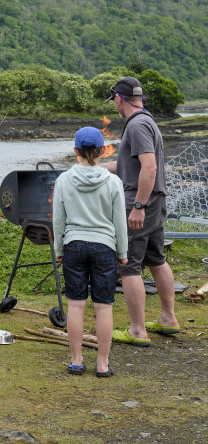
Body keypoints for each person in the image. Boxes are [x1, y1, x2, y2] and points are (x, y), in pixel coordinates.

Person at [101, 76, 180, 347]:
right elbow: (129, 166)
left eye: (113, 99)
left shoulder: (136, 126)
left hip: (140, 202)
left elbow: (149, 168)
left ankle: (137, 330)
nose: (112, 104)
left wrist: (138, 207)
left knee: (129, 266)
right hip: (154, 202)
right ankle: (168, 320)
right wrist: (96, 168)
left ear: (120, 98)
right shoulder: (146, 121)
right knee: (156, 259)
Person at [53, 127, 128, 378]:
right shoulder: (113, 181)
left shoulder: (64, 180)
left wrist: (59, 248)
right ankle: (103, 364)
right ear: (102, 150)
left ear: (76, 151)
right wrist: (123, 252)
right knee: (103, 307)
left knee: (75, 305)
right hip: (105, 246)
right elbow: (120, 222)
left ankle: (76, 361)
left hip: (74, 245)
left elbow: (58, 220)